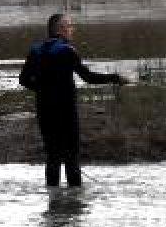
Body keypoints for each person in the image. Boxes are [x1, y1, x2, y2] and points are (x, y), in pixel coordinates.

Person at [19, 13, 127, 187]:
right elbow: (89, 78)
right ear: (60, 29)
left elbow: (23, 80)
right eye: (69, 26)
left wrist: (44, 91)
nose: (72, 29)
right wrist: (115, 78)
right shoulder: (67, 51)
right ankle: (74, 199)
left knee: (52, 156)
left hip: (44, 110)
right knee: (71, 157)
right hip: (66, 111)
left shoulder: (35, 50)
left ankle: (53, 198)